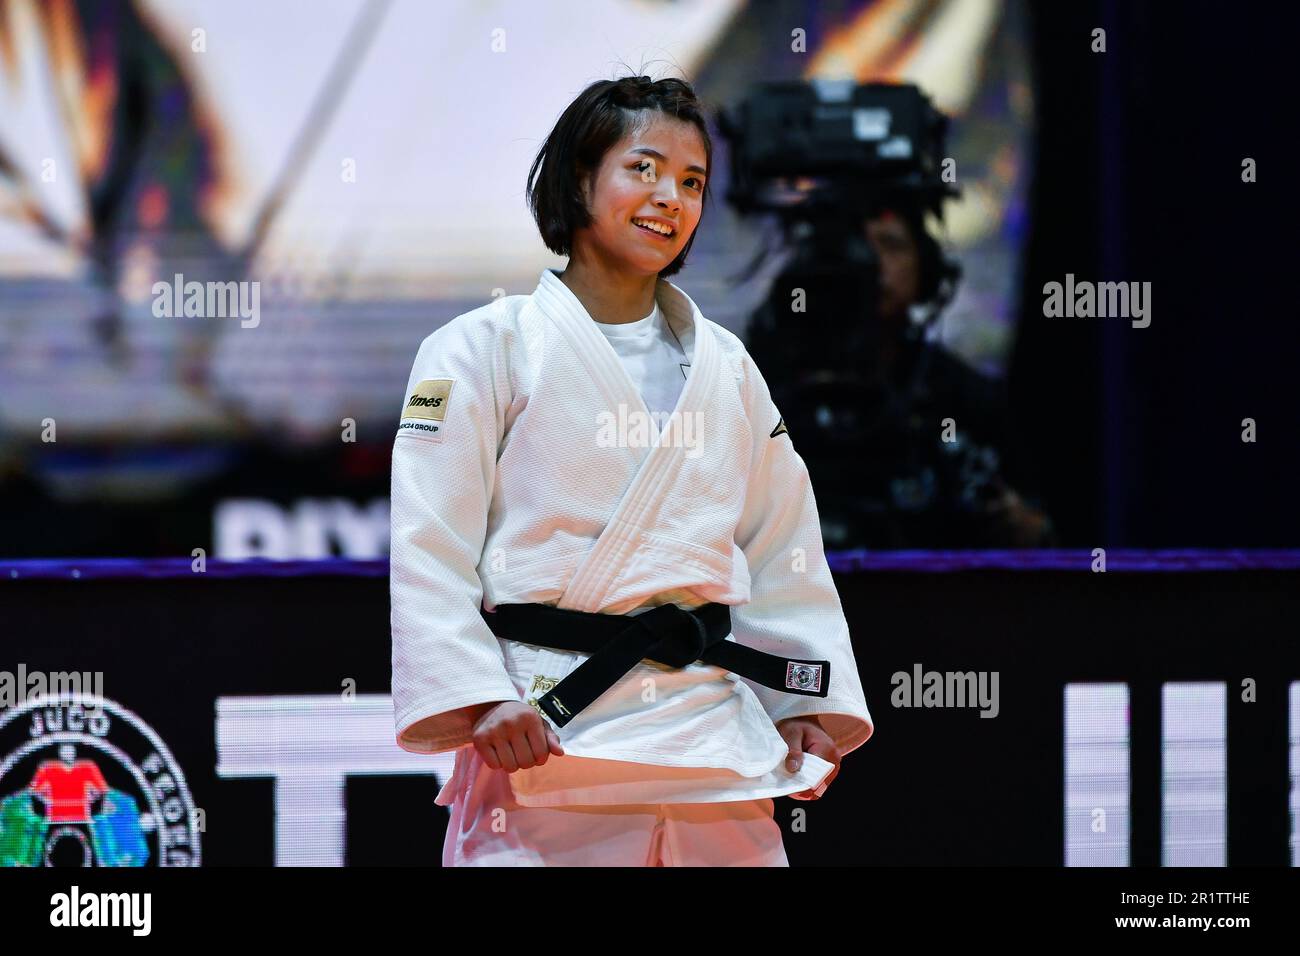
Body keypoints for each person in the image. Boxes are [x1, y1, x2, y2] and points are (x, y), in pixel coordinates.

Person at [390, 75, 873, 867]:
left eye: (692, 183)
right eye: (643, 169)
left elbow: (781, 545)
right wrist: (480, 698)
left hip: (714, 751)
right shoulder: (479, 348)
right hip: (544, 740)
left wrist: (800, 703)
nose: (670, 198)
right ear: (581, 180)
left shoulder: (728, 366)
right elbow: (429, 544)